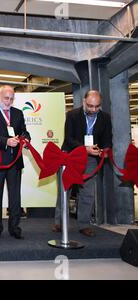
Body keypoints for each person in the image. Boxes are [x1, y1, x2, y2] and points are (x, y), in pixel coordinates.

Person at [53, 90, 112, 237]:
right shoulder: (72, 115)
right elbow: (69, 139)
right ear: (84, 101)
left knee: (87, 193)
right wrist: (85, 149)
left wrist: (105, 149)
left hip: (91, 159)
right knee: (65, 190)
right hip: (70, 156)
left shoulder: (105, 117)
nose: (93, 109)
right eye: (90, 106)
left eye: (97, 106)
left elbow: (107, 138)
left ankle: (84, 224)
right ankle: (60, 222)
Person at [0, 85, 31, 239]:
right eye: (6, 98)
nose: (8, 102)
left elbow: (23, 130)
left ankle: (15, 228)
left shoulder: (18, 113)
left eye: (11, 99)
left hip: (15, 162)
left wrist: (26, 138)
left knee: (15, 197)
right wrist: (6, 141)